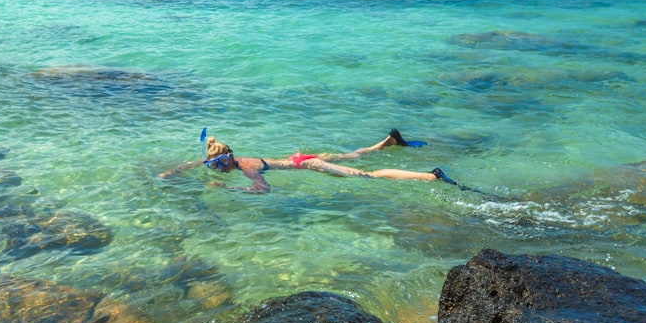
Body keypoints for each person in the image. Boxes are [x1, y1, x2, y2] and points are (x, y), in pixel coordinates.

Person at [160, 129, 456, 193]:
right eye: (215, 165)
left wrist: (227, 190)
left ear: (231, 157)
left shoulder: (246, 167)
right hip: (298, 158)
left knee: (368, 175)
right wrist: (173, 171)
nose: (219, 168)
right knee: (353, 154)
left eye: (221, 163)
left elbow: (263, 190)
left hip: (308, 163)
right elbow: (195, 164)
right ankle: (387, 142)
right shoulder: (230, 161)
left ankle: (430, 176)